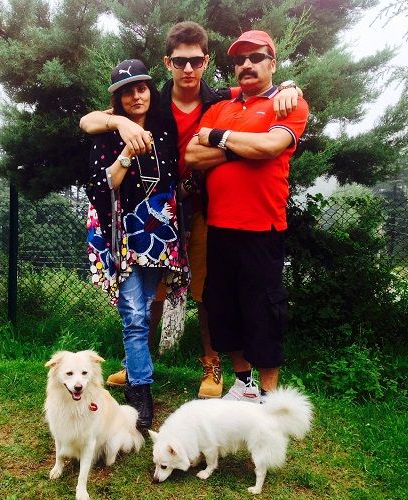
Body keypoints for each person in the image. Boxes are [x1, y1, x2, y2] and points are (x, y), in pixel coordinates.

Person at [80, 22, 300, 399]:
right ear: (167, 62)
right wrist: (116, 119)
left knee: (204, 290)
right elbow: (89, 121)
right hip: (153, 209)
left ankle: (212, 366)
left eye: (195, 61)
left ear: (206, 61)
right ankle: (137, 362)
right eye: (180, 61)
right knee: (150, 290)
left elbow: (261, 96)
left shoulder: (218, 100)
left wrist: (290, 88)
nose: (188, 69)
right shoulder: (153, 98)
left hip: (202, 207)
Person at [185, 30, 309, 402]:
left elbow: (273, 145)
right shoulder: (222, 104)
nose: (246, 65)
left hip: (262, 228)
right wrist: (248, 148)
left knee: (264, 312)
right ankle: (244, 385)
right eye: (240, 60)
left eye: (256, 58)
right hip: (220, 226)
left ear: (272, 63)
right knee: (226, 307)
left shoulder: (288, 104)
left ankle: (269, 396)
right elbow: (192, 155)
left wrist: (219, 139)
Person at [84, 59, 188, 429]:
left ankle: (132, 371)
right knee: (134, 313)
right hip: (120, 231)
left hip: (156, 231)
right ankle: (141, 391)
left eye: (141, 87)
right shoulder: (106, 134)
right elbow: (102, 185)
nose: (136, 95)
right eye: (127, 91)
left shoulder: (163, 128)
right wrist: (125, 146)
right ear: (117, 98)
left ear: (150, 90)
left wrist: (286, 85)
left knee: (144, 306)